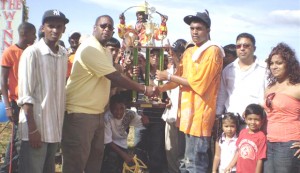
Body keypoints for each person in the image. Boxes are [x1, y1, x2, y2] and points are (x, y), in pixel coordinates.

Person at [61, 14, 155, 173]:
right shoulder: (89, 48)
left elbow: (110, 80)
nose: (107, 29)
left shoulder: (104, 51)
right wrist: (144, 89)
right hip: (80, 114)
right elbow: (114, 76)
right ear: (94, 28)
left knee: (94, 162)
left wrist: (129, 81)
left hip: (98, 113)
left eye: (110, 27)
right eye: (103, 26)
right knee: (76, 164)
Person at [156, 10, 224, 172]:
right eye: (192, 28)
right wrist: (159, 88)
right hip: (184, 118)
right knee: (183, 163)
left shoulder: (213, 51)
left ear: (208, 30)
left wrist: (168, 76)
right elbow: (179, 79)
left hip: (200, 118)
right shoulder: (188, 52)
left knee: (196, 164)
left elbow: (198, 84)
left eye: (199, 28)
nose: (195, 31)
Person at [17, 9, 69, 173]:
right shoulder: (32, 53)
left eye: (59, 26)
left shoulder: (63, 54)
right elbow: (26, 96)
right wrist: (32, 130)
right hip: (36, 130)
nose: (55, 30)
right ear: (42, 28)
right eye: (50, 26)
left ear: (63, 30)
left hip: (54, 129)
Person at [0, 22, 36, 173]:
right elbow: (3, 81)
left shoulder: (32, 51)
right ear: (25, 34)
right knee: (16, 140)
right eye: (33, 34)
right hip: (16, 103)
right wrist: (8, 106)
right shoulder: (10, 52)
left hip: (30, 101)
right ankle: (6, 169)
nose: (35, 37)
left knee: (23, 139)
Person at [263, 42, 300, 173]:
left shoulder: (297, 88)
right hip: (269, 143)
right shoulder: (269, 88)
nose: (274, 67)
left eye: (279, 63)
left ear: (289, 64)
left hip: (289, 144)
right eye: (271, 63)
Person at [216, 33, 267, 118]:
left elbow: (269, 97)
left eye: (246, 46)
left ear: (254, 48)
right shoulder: (228, 70)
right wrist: (217, 115)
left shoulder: (265, 69)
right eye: (238, 46)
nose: (242, 49)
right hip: (232, 124)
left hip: (255, 123)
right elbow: (222, 96)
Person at [100, 94, 145, 173]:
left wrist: (145, 122)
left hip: (128, 146)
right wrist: (124, 155)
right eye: (115, 109)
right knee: (112, 159)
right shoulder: (107, 118)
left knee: (138, 160)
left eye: (122, 108)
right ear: (110, 108)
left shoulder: (131, 114)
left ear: (126, 107)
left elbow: (136, 133)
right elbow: (108, 142)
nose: (118, 112)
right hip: (114, 146)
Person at [162, 39, 186, 173]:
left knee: (183, 154)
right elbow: (163, 90)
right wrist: (165, 98)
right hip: (171, 116)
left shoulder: (189, 70)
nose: (179, 56)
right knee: (170, 151)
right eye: (176, 53)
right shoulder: (168, 70)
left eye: (182, 53)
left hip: (185, 119)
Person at [225, 104, 267, 173]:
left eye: (256, 119)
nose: (253, 122)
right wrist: (230, 165)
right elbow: (238, 152)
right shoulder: (242, 132)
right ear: (245, 118)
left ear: (262, 121)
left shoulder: (261, 136)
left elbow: (260, 159)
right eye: (250, 119)